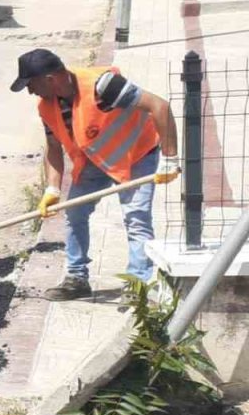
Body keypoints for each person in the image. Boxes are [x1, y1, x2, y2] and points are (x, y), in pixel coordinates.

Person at [11, 48, 179, 301]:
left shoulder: (104, 86)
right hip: (95, 160)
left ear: (49, 79)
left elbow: (160, 107)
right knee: (74, 213)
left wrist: (170, 158)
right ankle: (77, 279)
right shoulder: (47, 106)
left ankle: (138, 286)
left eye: (30, 84)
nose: (30, 91)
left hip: (137, 156)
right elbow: (54, 147)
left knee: (136, 219)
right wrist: (52, 189)